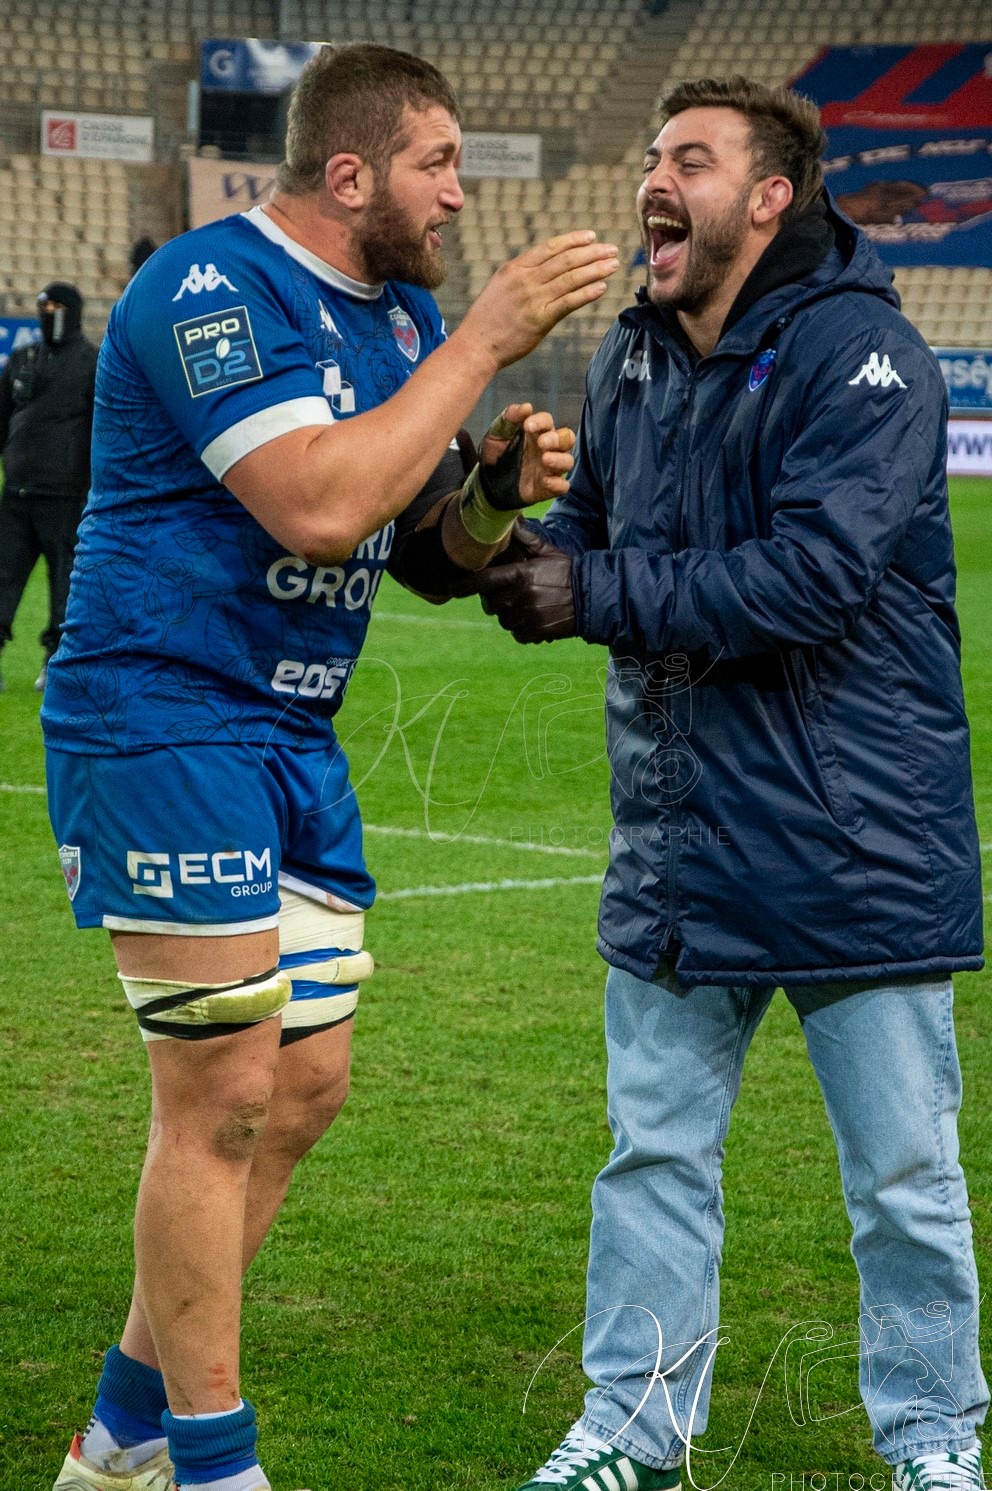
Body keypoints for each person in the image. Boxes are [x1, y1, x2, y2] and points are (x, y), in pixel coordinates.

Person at [41, 43, 618, 1491]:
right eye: (438, 164)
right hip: (165, 707)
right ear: (350, 171)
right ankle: (215, 1466)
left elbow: (423, 556)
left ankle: (120, 1433)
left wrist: (490, 488)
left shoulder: (404, 314)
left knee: (302, 1088)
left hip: (293, 730)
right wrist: (485, 342)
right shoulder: (208, 284)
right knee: (223, 1089)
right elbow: (311, 505)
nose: (458, 195)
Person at [476, 75, 987, 1491]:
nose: (656, 177)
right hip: (681, 840)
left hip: (854, 842)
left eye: (688, 159)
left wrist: (590, 588)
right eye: (652, 155)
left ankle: (936, 1439)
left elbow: (817, 577)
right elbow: (581, 538)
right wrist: (503, 522)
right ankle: (635, 1433)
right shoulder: (633, 357)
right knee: (652, 1157)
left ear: (771, 195)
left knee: (900, 1178)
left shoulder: (864, 353)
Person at [0, 282, 97, 693]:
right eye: (43, 306)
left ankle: (54, 661)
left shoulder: (93, 362)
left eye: (56, 306)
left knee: (65, 584)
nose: (48, 312)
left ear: (72, 311)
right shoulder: (22, 360)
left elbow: (99, 429)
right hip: (17, 493)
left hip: (66, 495)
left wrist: (93, 487)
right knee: (2, 575)